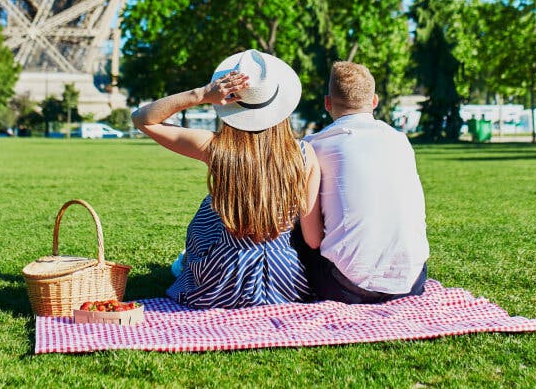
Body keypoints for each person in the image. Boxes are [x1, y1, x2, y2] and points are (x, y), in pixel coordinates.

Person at [132, 49, 323, 308]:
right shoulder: (304, 154)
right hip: (284, 280)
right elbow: (312, 239)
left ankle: (188, 263)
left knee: (209, 207)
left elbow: (143, 119)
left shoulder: (215, 147)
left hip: (221, 280)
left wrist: (200, 94)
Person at [295, 61, 429, 304]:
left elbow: (312, 240)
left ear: (327, 103)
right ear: (374, 101)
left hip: (345, 287)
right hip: (410, 281)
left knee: (296, 224)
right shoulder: (400, 142)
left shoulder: (315, 146)